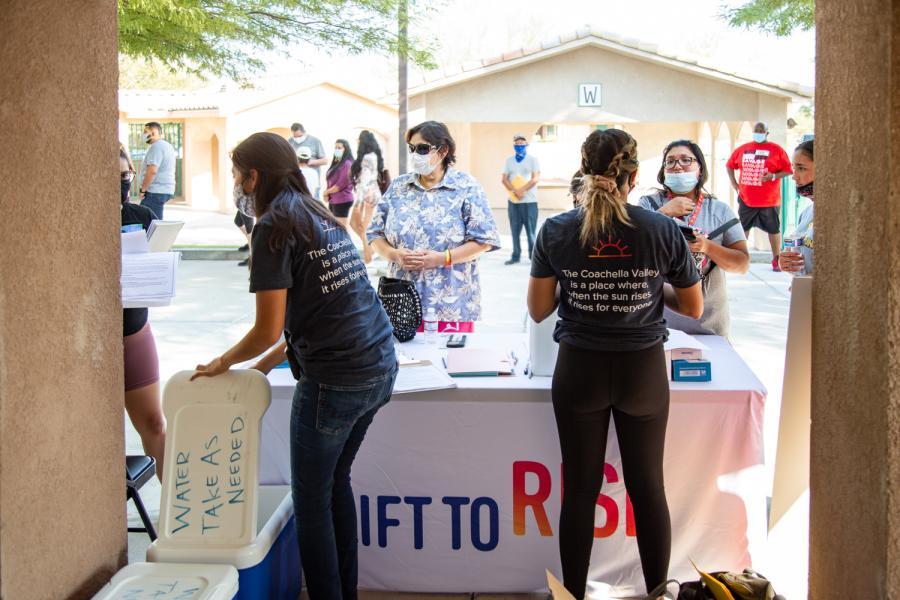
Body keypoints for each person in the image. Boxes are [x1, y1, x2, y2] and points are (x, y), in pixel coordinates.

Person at [192, 132, 396, 600]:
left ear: (254, 175)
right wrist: (261, 367)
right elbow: (314, 315)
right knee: (333, 484)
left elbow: (269, 327)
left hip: (336, 381)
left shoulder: (273, 226)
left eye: (236, 173)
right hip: (379, 366)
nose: (235, 182)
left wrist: (223, 362)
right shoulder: (317, 215)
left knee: (310, 502)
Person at [527, 129, 703, 599]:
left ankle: (572, 595)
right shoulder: (661, 229)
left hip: (579, 371)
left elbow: (539, 309)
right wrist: (646, 289)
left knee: (580, 490)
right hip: (641, 371)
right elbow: (693, 306)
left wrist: (583, 283)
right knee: (648, 489)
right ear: (636, 174)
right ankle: (658, 593)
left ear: (583, 170)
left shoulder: (556, 230)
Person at [368, 121, 501, 332]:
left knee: (451, 362)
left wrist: (443, 258)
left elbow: (484, 241)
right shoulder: (399, 187)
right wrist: (394, 255)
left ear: (443, 150)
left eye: (422, 148)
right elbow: (374, 234)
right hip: (402, 303)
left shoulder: (466, 187)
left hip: (451, 303)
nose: (415, 155)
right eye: (412, 148)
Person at [639, 140, 749, 337]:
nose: (677, 166)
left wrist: (706, 246)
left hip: (709, 325)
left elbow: (741, 264)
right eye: (670, 162)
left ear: (700, 169)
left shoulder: (719, 210)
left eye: (686, 160)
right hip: (658, 323)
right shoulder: (648, 204)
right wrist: (664, 213)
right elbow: (635, 245)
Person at [121, 182, 166, 479]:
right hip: (88, 337)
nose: (121, 180)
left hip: (133, 331)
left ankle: (174, 513)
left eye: (125, 173)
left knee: (153, 424)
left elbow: (158, 265)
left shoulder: (141, 215)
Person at [726, 122, 793, 271]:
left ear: (767, 133)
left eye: (762, 131)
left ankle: (776, 259)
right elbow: (730, 165)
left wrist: (773, 176)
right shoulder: (743, 149)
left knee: (774, 230)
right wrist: (734, 184)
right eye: (756, 130)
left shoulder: (777, 150)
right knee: (743, 229)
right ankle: (741, 258)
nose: (759, 132)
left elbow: (788, 170)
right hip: (746, 198)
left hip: (769, 200)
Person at [501, 133, 541, 265]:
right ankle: (515, 255)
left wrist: (522, 190)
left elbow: (535, 178)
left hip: (529, 202)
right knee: (515, 230)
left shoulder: (533, 160)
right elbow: (504, 179)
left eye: (522, 144)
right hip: (514, 202)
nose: (519, 146)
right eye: (517, 144)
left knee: (531, 232)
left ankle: (533, 257)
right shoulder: (509, 160)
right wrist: (514, 191)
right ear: (514, 146)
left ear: (526, 145)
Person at [779, 140, 815, 275]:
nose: (794, 176)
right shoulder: (806, 213)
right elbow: (798, 257)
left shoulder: (840, 214)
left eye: (801, 168)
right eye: (794, 168)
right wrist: (785, 262)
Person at [349, 130, 385, 264]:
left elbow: (364, 182)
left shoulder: (367, 157)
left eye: (359, 140)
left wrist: (358, 203)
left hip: (367, 195)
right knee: (357, 225)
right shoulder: (374, 155)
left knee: (362, 226)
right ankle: (371, 249)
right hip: (371, 193)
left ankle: (368, 256)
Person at [137, 121, 177, 220]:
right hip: (164, 190)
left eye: (145, 131)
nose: (144, 134)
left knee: (150, 223)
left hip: (155, 191)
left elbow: (152, 171)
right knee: (152, 222)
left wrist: (143, 190)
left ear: (154, 132)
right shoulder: (167, 146)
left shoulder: (156, 147)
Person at [323, 139, 354, 226]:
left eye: (339, 148)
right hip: (334, 200)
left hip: (342, 200)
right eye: (335, 147)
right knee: (334, 228)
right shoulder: (337, 163)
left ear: (346, 149)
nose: (337, 150)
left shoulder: (347, 164)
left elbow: (340, 185)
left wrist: (326, 192)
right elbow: (330, 180)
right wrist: (327, 193)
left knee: (341, 229)